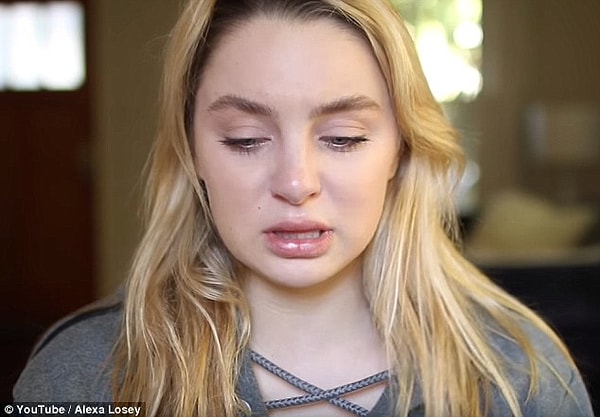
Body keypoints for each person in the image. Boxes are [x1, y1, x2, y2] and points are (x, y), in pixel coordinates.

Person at [14, 0, 595, 416]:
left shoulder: (521, 375)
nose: (296, 183)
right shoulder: (83, 377)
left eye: (343, 138)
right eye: (246, 139)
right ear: (193, 154)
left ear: (400, 150)